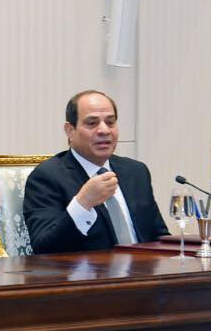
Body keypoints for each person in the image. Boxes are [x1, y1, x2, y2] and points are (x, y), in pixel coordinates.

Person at [23, 90, 169, 253]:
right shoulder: (47, 177)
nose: (104, 130)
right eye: (92, 123)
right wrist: (83, 203)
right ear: (70, 130)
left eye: (110, 122)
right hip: (90, 269)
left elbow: (159, 237)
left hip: (144, 267)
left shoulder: (136, 172)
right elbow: (44, 248)